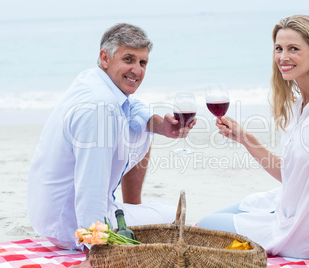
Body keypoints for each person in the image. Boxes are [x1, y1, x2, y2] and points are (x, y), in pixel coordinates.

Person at [197, 15, 309, 268]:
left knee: (206, 227)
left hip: (303, 233)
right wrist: (246, 139)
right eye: (279, 49)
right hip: (287, 205)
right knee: (213, 218)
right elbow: (290, 173)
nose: (283, 57)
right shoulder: (300, 105)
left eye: (293, 49)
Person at [27, 23, 196, 252]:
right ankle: (109, 226)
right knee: (171, 216)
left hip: (51, 214)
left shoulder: (93, 81)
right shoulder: (100, 108)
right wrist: (94, 250)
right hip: (70, 224)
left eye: (142, 62)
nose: (137, 70)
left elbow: (133, 108)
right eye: (129, 59)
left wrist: (162, 127)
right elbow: (91, 186)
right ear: (105, 58)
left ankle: (128, 208)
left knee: (138, 125)